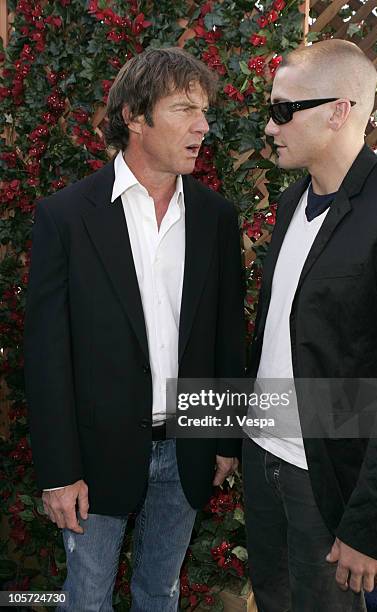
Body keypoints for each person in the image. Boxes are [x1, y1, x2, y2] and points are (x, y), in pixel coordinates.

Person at [24, 47, 245, 612]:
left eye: (204, 110)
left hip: (186, 448)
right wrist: (59, 471)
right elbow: (47, 356)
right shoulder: (66, 216)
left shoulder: (216, 218)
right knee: (87, 598)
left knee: (160, 593)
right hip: (94, 458)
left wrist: (223, 438)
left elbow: (225, 335)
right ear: (133, 116)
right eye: (183, 109)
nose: (202, 125)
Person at [243, 39, 377, 612]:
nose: (271, 126)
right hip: (266, 457)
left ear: (340, 110)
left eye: (284, 109)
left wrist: (372, 524)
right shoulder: (292, 201)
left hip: (332, 481)